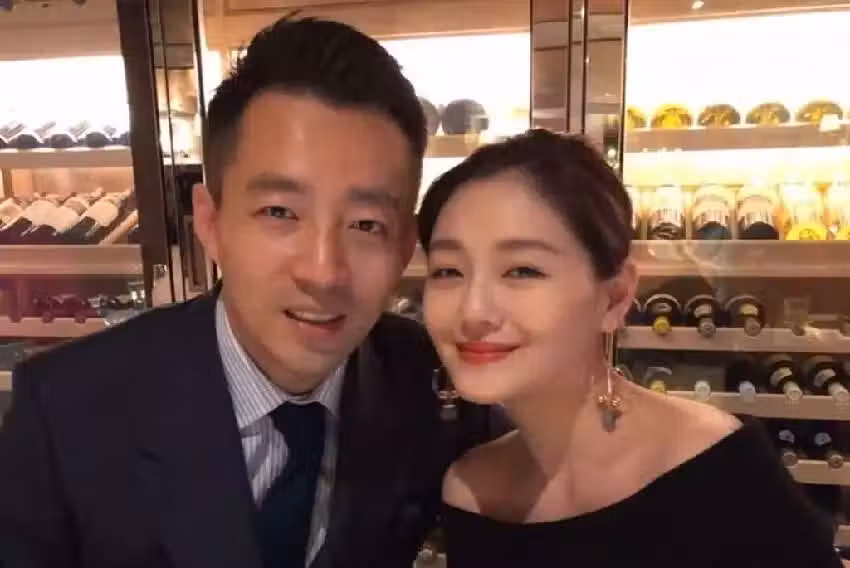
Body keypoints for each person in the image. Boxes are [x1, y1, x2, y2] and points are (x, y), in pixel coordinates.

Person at [0, 16, 500, 568]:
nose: (324, 273)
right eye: (279, 212)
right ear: (210, 222)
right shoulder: (68, 409)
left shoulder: (438, 385)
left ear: (405, 245)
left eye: (366, 224)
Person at [416, 128, 842, 567]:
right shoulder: (472, 492)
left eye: (522, 270)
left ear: (616, 296)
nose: (474, 311)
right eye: (448, 271)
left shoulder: (717, 468)